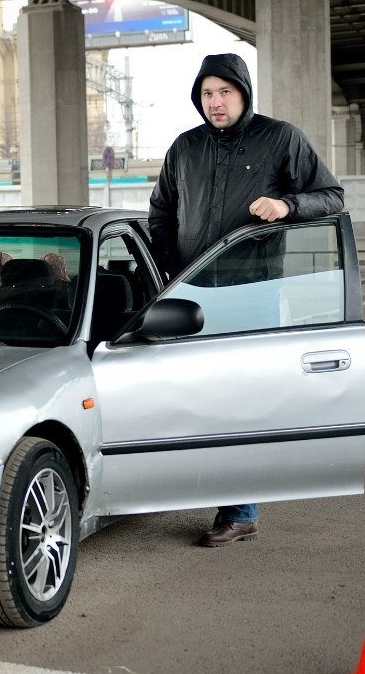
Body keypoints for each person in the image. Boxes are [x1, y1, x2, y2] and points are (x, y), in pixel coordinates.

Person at [147, 52, 344, 549]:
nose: (216, 102)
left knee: (240, 402)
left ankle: (241, 511)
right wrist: (173, 271)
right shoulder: (184, 148)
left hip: (254, 292)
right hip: (192, 294)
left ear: (244, 92)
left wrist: (287, 205)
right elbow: (160, 211)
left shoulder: (280, 138)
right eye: (207, 93)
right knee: (195, 400)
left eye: (225, 92)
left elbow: (333, 196)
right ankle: (203, 491)